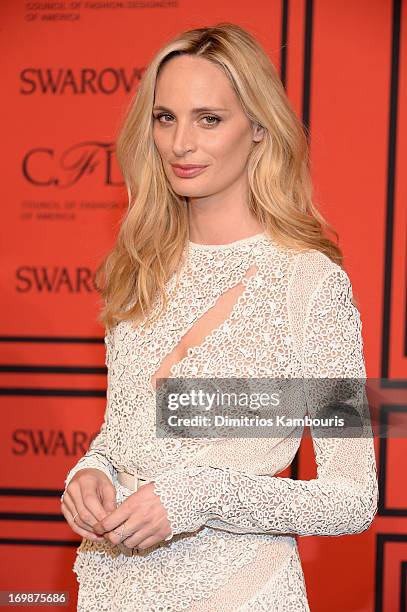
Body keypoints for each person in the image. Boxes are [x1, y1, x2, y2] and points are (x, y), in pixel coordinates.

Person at [60, 22, 378, 611]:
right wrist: (91, 473)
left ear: (258, 128)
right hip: (112, 592)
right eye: (165, 118)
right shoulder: (140, 268)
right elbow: (124, 434)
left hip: (239, 595)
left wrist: (198, 497)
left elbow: (352, 499)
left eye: (209, 119)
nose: (181, 143)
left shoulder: (310, 287)